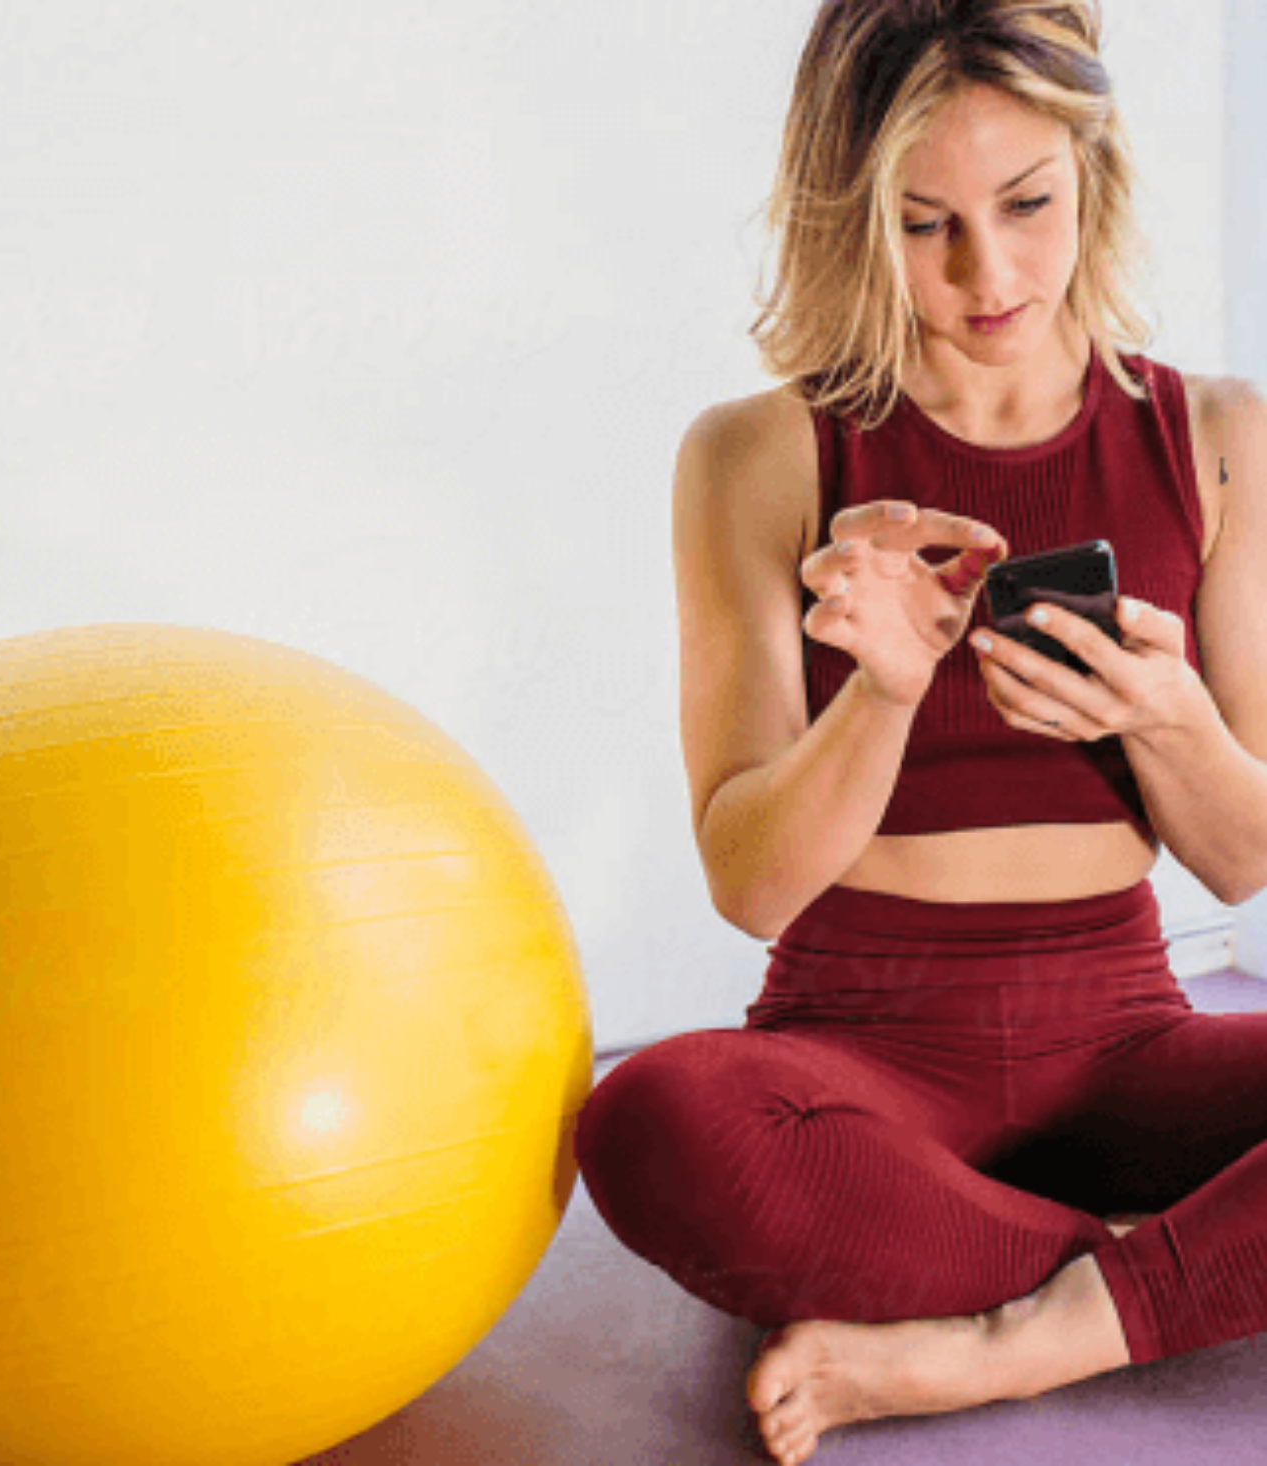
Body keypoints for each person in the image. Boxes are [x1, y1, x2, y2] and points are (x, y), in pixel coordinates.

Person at [573, 2, 1267, 1463]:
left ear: (1093, 167)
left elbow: (1240, 858)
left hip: (1129, 1024)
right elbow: (749, 881)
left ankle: (1015, 1334)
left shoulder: (1214, 435)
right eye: (923, 224)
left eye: (1026, 205)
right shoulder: (756, 455)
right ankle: (1185, 1267)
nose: (987, 273)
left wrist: (1173, 720)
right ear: (851, 215)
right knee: (649, 1118)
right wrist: (880, 692)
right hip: (858, 1044)